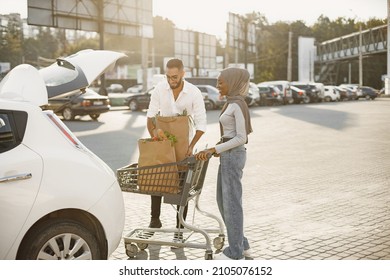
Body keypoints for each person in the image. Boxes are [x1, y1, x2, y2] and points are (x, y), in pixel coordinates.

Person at [146, 58, 207, 242]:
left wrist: (190, 146)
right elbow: (150, 117)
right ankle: (154, 220)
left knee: (182, 188)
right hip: (162, 142)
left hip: (184, 147)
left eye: (175, 77)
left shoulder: (194, 93)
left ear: (183, 74)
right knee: (156, 180)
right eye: (168, 76)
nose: (171, 80)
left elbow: (201, 124)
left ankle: (179, 229)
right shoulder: (159, 89)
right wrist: (155, 134)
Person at [195, 67, 252, 260]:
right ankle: (241, 244)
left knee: (232, 204)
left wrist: (214, 150)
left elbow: (241, 138)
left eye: (221, 82)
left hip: (233, 156)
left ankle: (235, 253)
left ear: (232, 82)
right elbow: (230, 135)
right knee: (224, 201)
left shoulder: (237, 104)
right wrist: (218, 148)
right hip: (228, 155)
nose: (217, 85)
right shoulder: (231, 103)